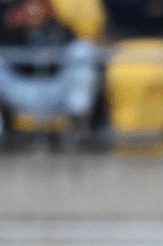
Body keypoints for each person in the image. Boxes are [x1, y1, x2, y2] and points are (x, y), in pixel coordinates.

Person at [0, 0, 100, 151]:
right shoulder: (10, 29)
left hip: (54, 88)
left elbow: (73, 49)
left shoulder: (58, 28)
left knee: (83, 51)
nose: (33, 12)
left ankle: (79, 123)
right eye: (29, 8)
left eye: (38, 8)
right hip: (21, 87)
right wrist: (13, 27)